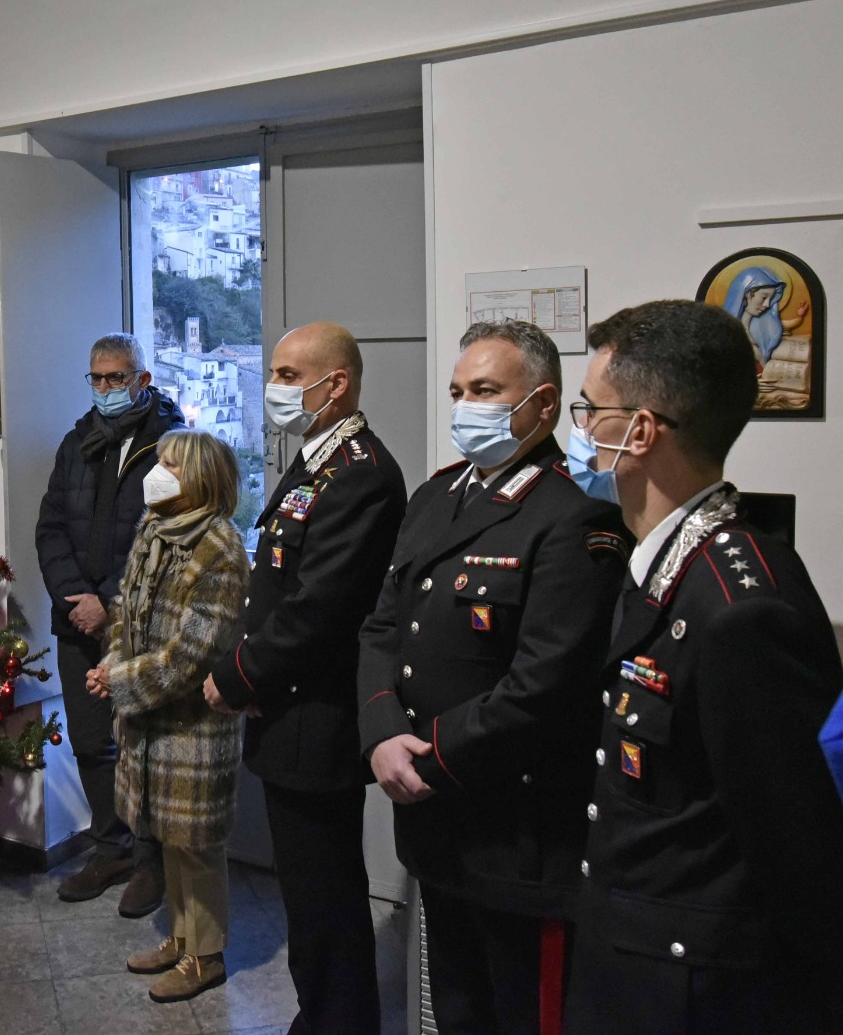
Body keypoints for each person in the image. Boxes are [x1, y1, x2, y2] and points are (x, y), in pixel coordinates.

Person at [564, 300, 843, 1034]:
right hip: (624, 953)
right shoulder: (658, 563)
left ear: (641, 431)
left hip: (692, 993)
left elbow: (799, 856)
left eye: (590, 409)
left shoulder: (738, 606)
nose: (581, 431)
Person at [356, 320, 626, 1035]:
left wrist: (430, 756)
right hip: (432, 821)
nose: (463, 406)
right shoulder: (436, 495)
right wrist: (383, 732)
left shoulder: (576, 515)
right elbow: (384, 626)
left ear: (541, 404)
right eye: (457, 390)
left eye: (484, 390)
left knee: (518, 1012)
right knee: (457, 1005)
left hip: (514, 833)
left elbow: (547, 682)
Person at [203, 322, 407, 1035]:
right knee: (309, 896)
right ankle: (318, 1015)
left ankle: (340, 1022)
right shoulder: (316, 462)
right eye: (277, 373)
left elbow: (319, 607)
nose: (277, 387)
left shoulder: (362, 473)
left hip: (315, 716)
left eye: (290, 374)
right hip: (286, 713)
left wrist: (237, 674)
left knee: (326, 897)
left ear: (337, 383)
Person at [85, 429, 248, 1003]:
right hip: (150, 721)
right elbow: (124, 615)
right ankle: (181, 940)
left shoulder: (219, 548)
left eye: (171, 464)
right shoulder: (154, 531)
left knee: (196, 846)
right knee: (170, 839)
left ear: (199, 477)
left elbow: (192, 654)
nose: (160, 471)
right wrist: (111, 664)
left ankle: (206, 956)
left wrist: (120, 681)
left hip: (193, 723)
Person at [36, 333, 184, 915]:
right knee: (93, 741)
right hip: (78, 620)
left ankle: (151, 862)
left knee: (143, 744)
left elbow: (168, 536)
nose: (106, 389)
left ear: (142, 380)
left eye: (116, 378)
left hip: (141, 625)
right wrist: (78, 599)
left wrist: (112, 604)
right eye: (96, 379)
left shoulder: (174, 446)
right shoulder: (78, 442)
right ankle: (111, 847)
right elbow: (50, 527)